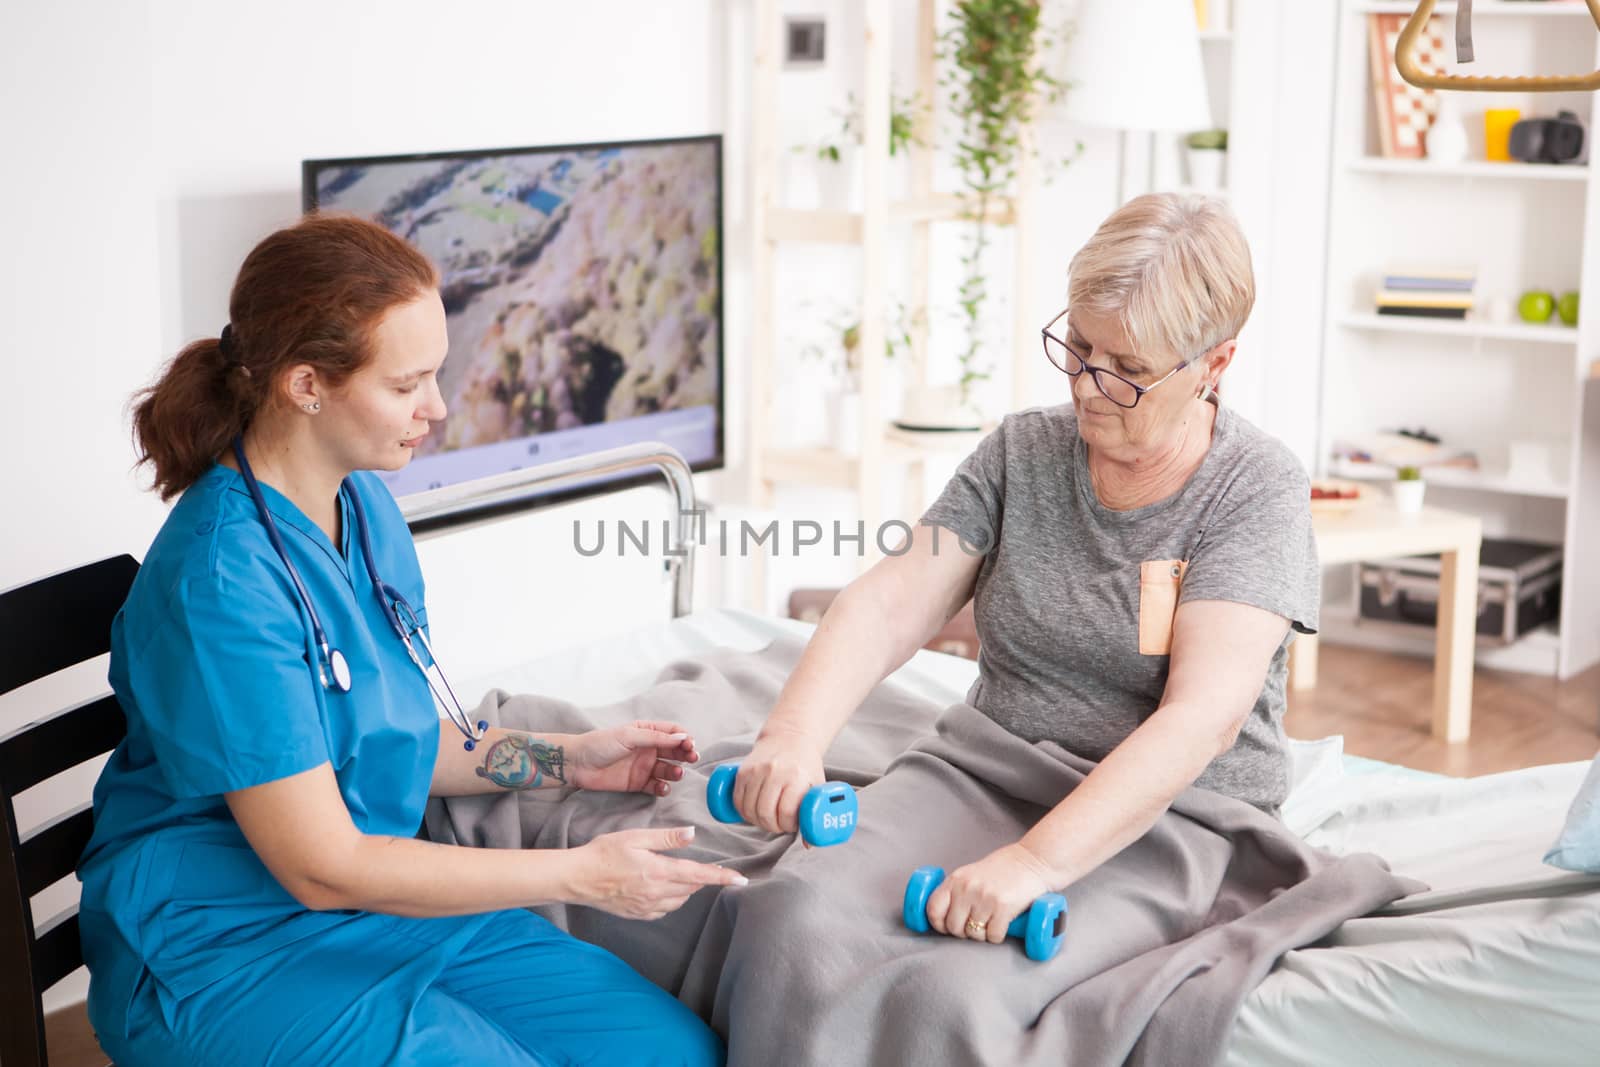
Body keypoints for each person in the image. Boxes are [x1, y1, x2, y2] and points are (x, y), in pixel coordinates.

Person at [76, 214, 740, 1066]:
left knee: (675, 1052)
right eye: (407, 385)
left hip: (372, 904)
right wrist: (581, 871)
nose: (439, 407)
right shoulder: (221, 580)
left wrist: (571, 759)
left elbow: (391, 739)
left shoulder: (361, 504)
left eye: (437, 374)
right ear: (306, 383)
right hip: (220, 947)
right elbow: (320, 864)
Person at [732, 193, 1318, 948]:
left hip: (1179, 817)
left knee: (962, 978)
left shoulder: (1255, 488)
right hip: (992, 770)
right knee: (800, 903)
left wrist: (1035, 863)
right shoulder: (1023, 452)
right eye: (1078, 347)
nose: (1084, 384)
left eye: (1128, 370)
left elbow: (1201, 720)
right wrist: (793, 734)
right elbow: (890, 603)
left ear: (1214, 363)